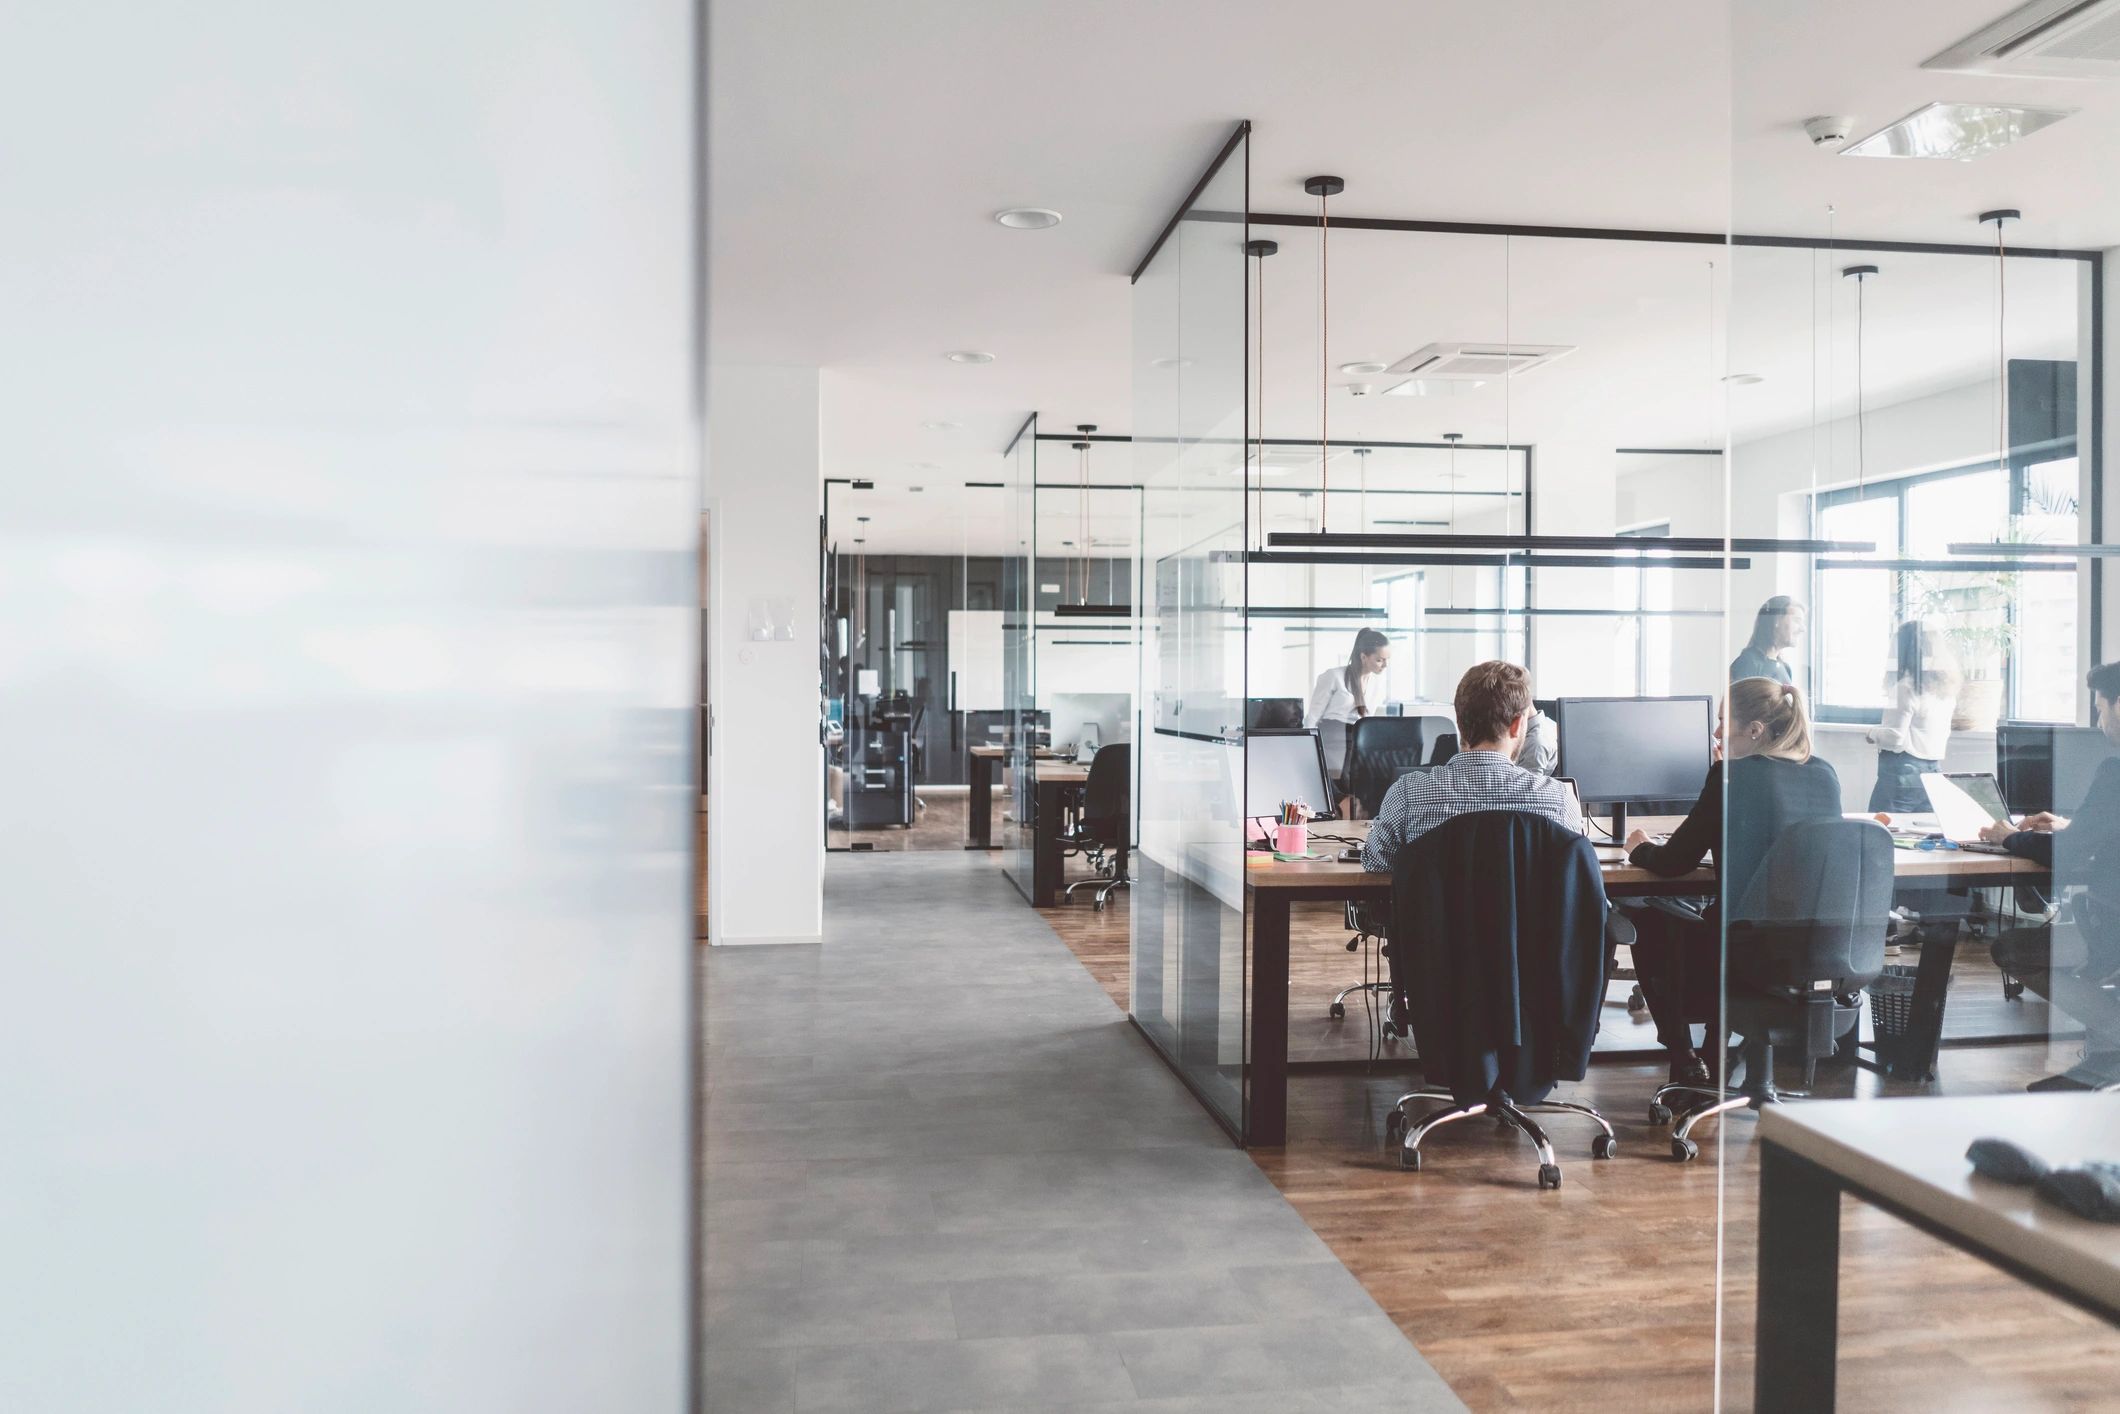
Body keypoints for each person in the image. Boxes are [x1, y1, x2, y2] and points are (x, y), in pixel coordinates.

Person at [1621, 678, 1841, 1086]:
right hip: (1816, 954)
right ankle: (1713, 1054)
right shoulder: (1824, 774)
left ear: (1755, 730)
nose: (1718, 732)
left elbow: (1673, 862)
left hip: (1745, 956)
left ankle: (1686, 1056)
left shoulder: (1728, 777)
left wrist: (1639, 847)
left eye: (1724, 722)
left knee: (1644, 914)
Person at [1981, 661, 2120, 1091]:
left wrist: (2007, 837)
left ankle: (2115, 1037)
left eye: (2101, 709)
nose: (2100, 721)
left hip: (2111, 927)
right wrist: (2070, 827)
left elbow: (2067, 853)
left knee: (2013, 950)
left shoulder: (2115, 771)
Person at [1362, 661, 1580, 873]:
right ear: (1517, 724)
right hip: (1531, 912)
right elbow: (1573, 871)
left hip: (1437, 911)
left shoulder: (1408, 794)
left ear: (1459, 719)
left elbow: (1375, 862)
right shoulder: (1559, 799)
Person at [1866, 620, 1960, 814]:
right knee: (1922, 834)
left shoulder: (1906, 687)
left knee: (1882, 832)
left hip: (1902, 772)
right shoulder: (1945, 690)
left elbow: (1895, 736)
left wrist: (1873, 733)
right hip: (1933, 771)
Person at [1305, 628, 1390, 729]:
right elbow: (1313, 717)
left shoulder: (1376, 684)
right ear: (1363, 657)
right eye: (1379, 660)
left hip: (1358, 738)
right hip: (1330, 737)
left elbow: (1368, 719)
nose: (1385, 665)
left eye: (1387, 659)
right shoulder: (1334, 676)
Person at [1730, 595, 1804, 687]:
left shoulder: (1785, 668)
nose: (1802, 629)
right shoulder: (1748, 663)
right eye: (1796, 620)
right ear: (1776, 619)